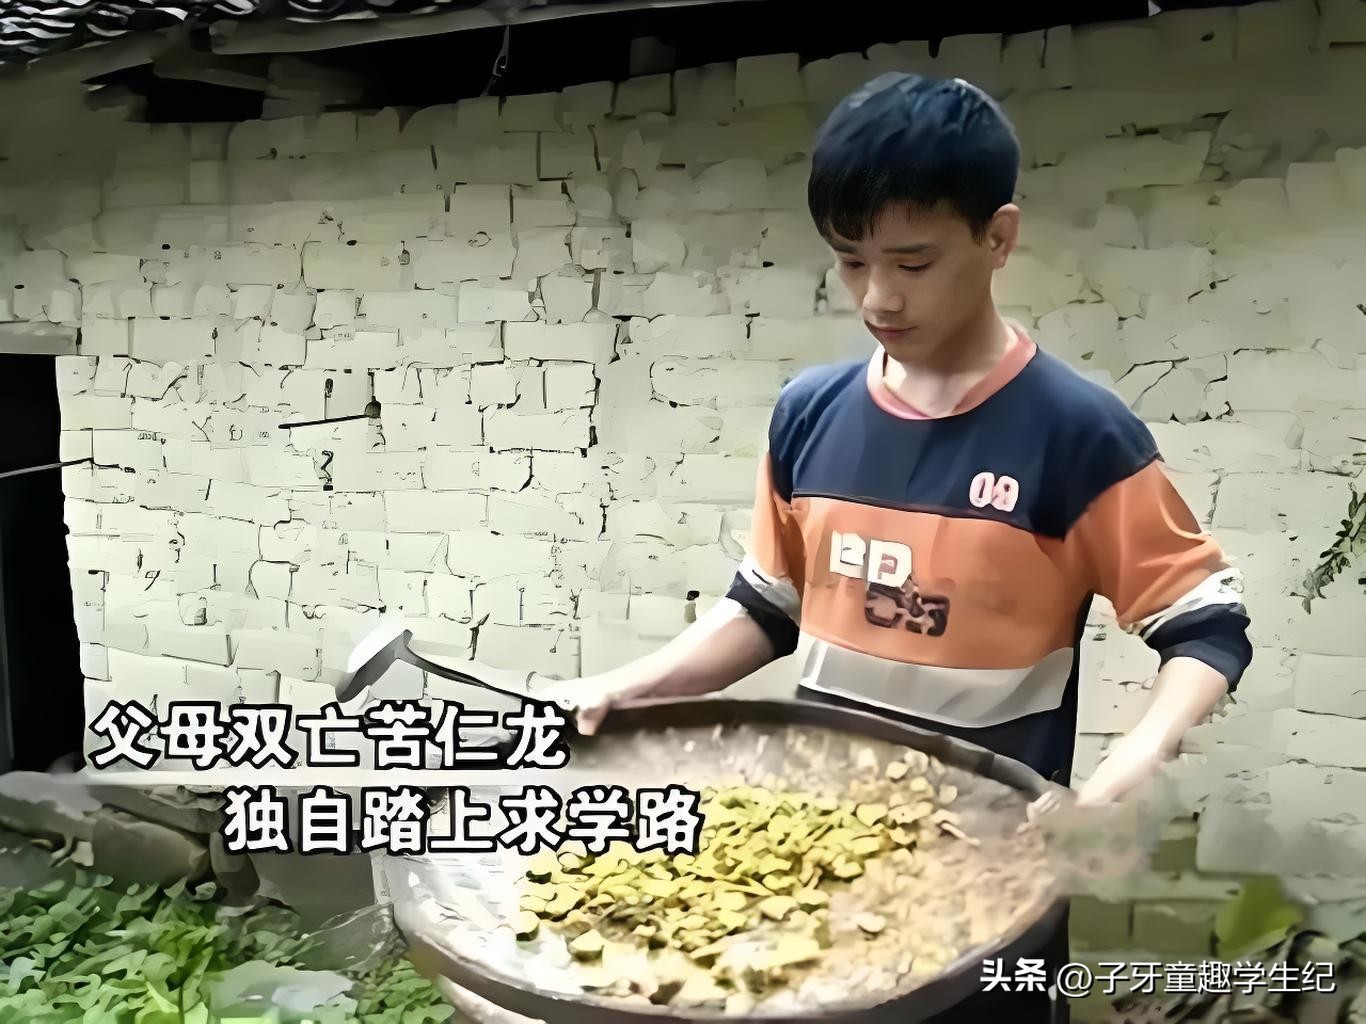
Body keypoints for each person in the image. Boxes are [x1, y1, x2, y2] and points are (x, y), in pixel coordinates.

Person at [543, 73, 1253, 1022]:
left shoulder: (1076, 435)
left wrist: (1120, 776)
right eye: (851, 262)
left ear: (998, 238)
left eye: (913, 263)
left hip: (990, 876)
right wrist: (623, 687)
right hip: (817, 864)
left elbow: (1206, 628)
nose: (878, 297)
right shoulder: (809, 414)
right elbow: (766, 610)